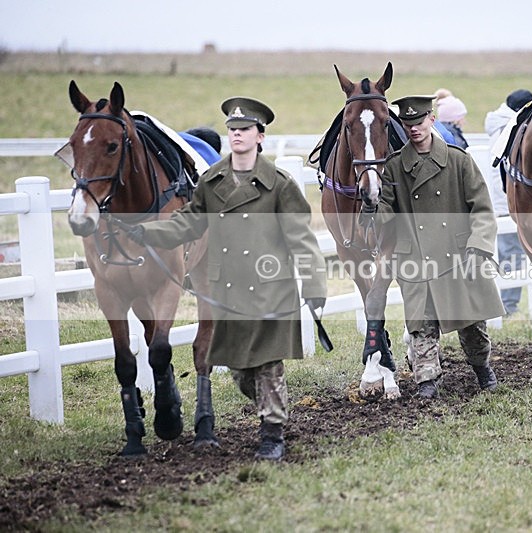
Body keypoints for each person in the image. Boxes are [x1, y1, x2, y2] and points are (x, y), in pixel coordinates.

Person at [129, 97, 327, 460]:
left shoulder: (280, 184)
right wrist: (151, 234)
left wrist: (314, 285)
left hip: (270, 288)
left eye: (245, 130)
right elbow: (190, 221)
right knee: (241, 370)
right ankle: (273, 406)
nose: (237, 135)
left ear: (260, 137)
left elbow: (302, 239)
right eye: (233, 130)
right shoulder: (212, 180)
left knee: (267, 364)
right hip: (226, 291)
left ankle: (272, 435)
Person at [364, 94, 505, 398]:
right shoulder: (395, 167)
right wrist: (373, 206)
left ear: (432, 119)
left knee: (472, 326)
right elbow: (387, 213)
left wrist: (478, 247)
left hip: (457, 256)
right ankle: (427, 380)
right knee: (420, 325)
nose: (414, 128)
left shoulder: (458, 160)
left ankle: (482, 369)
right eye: (408, 123)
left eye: (419, 121)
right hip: (416, 257)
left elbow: (481, 209)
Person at [484, 89, 532, 315]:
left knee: (509, 252)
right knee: (511, 252)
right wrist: (508, 203)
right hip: (505, 202)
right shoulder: (508, 128)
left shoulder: (501, 124)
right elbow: (501, 173)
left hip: (502, 200)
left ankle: (508, 303)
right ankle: (509, 305)